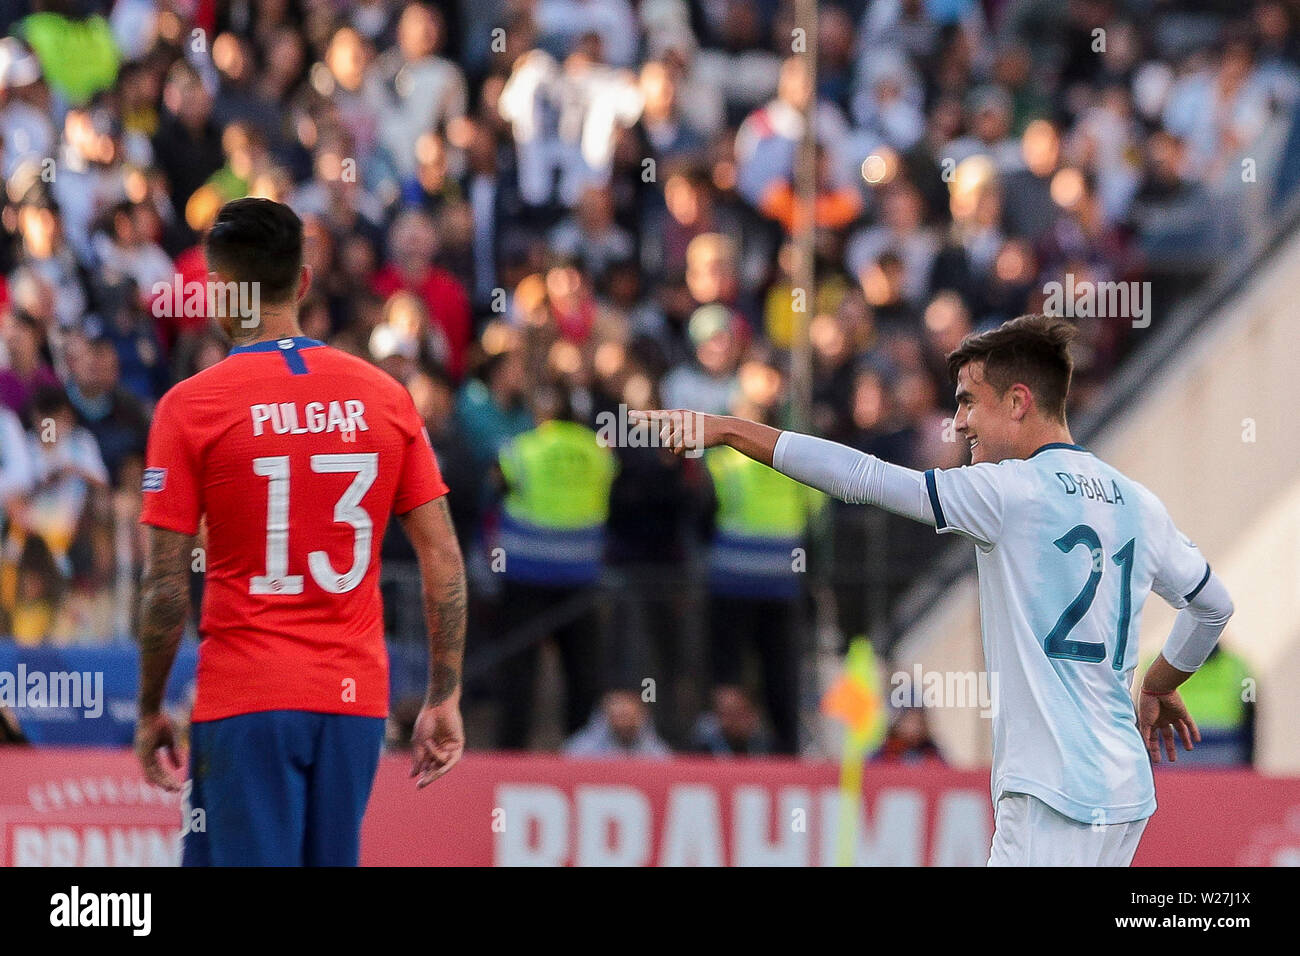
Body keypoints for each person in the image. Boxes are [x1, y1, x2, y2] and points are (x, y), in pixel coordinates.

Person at [633, 314, 1234, 867]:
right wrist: (1159, 683)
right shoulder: (1137, 502)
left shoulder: (1008, 492)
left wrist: (733, 430)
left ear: (1019, 402)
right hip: (1123, 792)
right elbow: (1212, 607)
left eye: (970, 402)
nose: (961, 421)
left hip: (1052, 792)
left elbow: (865, 479)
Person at [134, 198, 468, 867]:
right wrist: (444, 695)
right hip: (352, 703)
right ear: (304, 283)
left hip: (246, 697)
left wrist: (149, 708)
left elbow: (167, 587)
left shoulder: (190, 406)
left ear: (217, 293)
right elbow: (445, 560)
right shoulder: (385, 396)